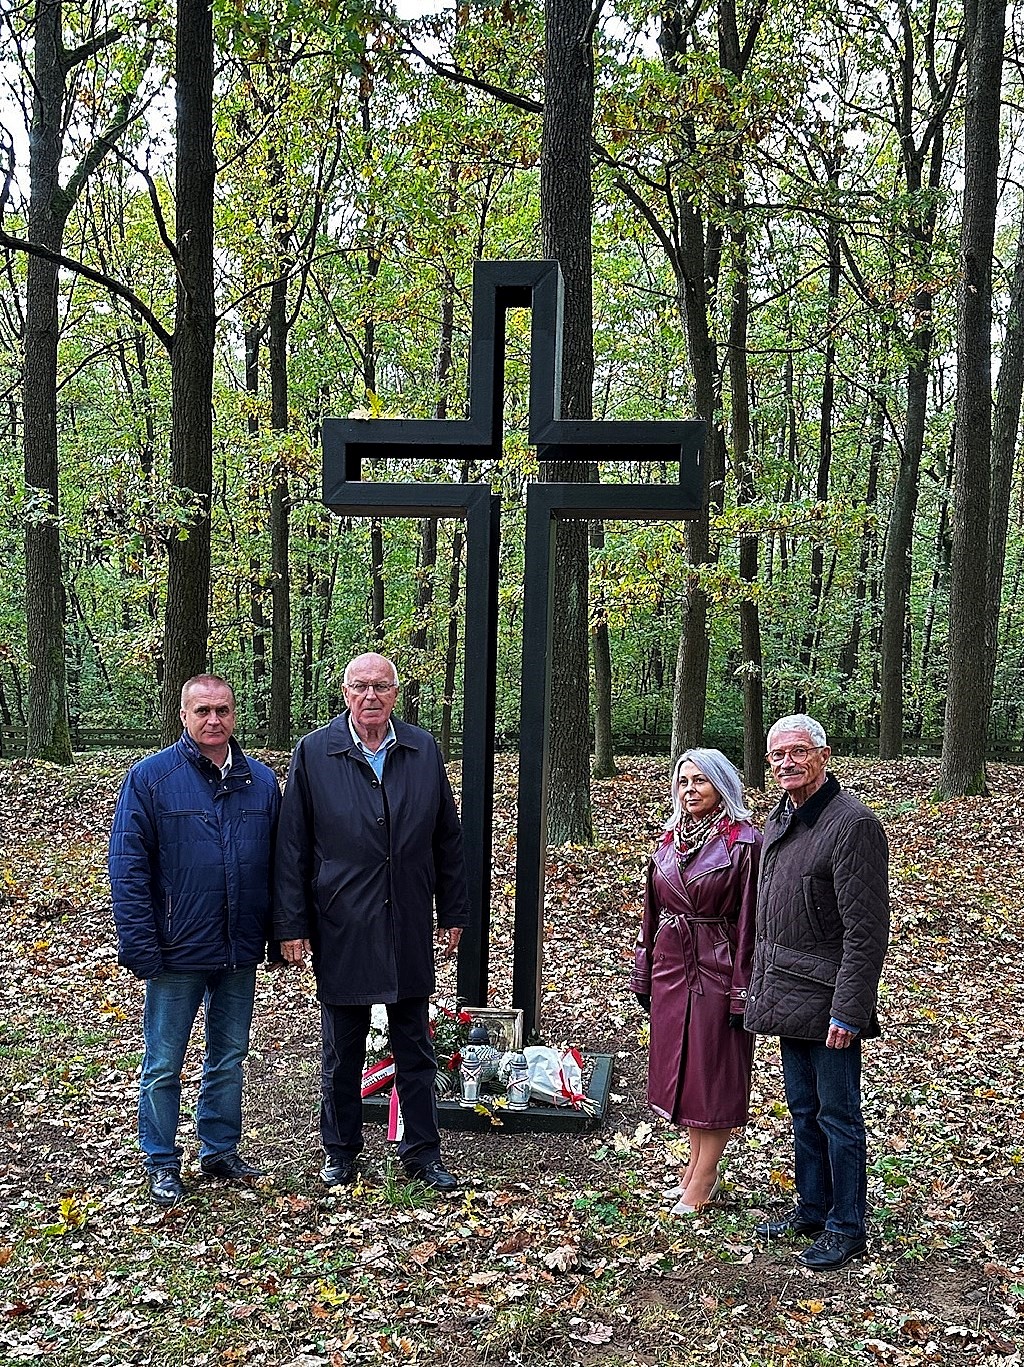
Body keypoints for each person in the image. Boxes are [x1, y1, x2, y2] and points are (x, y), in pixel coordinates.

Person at [274, 652, 470, 1193]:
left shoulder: (421, 749)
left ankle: (422, 1152)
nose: (370, 697)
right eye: (360, 686)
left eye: (381, 686)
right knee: (342, 1047)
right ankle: (340, 1152)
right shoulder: (315, 753)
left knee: (414, 1042)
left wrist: (452, 910)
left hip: (406, 917)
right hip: (343, 920)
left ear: (396, 692)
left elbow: (447, 841)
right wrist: (292, 924)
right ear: (344, 692)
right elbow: (292, 846)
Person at [109, 675, 281, 1206]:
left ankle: (219, 1148)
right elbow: (128, 867)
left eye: (223, 710)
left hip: (237, 946)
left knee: (229, 1054)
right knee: (164, 1061)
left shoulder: (260, 782)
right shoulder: (152, 779)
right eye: (202, 710)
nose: (214, 720)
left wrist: (277, 933)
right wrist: (141, 943)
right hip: (175, 947)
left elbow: (280, 865)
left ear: (236, 715)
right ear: (184, 715)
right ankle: (160, 1161)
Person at [746, 713, 889, 1270]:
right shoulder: (782, 817)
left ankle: (846, 1225)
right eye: (777, 753)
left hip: (830, 998)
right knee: (803, 1110)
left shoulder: (852, 824)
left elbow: (867, 930)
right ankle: (813, 1207)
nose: (786, 762)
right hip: (787, 992)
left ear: (824, 757)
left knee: (838, 1115)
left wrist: (850, 1012)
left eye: (798, 751)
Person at [630, 749, 761, 1215]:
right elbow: (651, 912)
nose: (690, 789)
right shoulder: (669, 840)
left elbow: (750, 922)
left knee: (712, 1073)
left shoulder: (745, 843)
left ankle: (704, 1177)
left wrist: (743, 986)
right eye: (683, 781)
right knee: (683, 1074)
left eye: (701, 781)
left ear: (722, 785)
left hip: (718, 963)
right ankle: (693, 1166)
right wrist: (644, 972)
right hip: (671, 966)